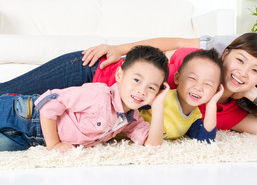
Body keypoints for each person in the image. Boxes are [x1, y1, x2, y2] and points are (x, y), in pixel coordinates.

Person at [81, 19, 257, 140]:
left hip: (97, 112)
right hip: (99, 70)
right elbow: (170, 47)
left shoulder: (245, 105)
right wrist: (120, 48)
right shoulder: (236, 47)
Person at [0, 33, 257, 138]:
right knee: (5, 95)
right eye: (239, 61)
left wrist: (252, 91)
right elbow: (162, 47)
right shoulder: (191, 60)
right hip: (90, 72)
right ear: (225, 55)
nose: (242, 72)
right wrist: (120, 49)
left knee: (18, 119)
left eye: (255, 70)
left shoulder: (225, 111)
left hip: (88, 116)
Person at [0, 45, 170, 152]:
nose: (141, 91)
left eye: (151, 88)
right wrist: (54, 145)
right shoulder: (99, 96)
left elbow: (152, 146)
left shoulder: (130, 119)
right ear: (119, 75)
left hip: (28, 139)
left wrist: (157, 106)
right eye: (137, 80)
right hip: (23, 114)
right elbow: (49, 102)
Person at [140, 49, 224, 143]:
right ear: (177, 78)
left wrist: (212, 103)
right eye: (192, 78)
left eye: (208, 84)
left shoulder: (194, 116)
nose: (198, 87)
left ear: (216, 91)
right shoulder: (161, 97)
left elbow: (206, 140)